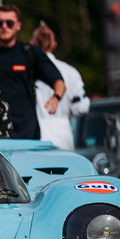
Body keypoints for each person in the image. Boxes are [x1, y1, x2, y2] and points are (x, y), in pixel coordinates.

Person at [0, 4, 66, 140]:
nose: (4, 26)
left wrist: (56, 98)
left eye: (9, 23)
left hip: (26, 134)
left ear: (18, 25)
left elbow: (59, 81)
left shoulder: (30, 52)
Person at [31, 22, 90, 150]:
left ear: (32, 44)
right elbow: (82, 106)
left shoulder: (28, 70)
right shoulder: (70, 71)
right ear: (54, 45)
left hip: (35, 135)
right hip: (63, 135)